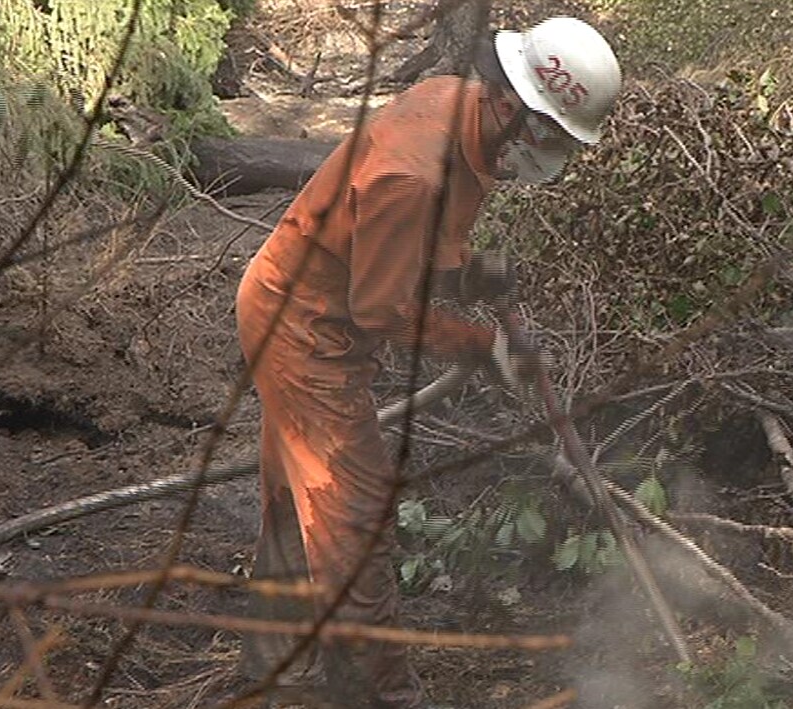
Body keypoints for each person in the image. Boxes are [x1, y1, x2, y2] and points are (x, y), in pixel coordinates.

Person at [233, 17, 622, 708]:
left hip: (315, 304)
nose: (550, 152)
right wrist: (483, 348)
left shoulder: (459, 109)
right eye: (551, 136)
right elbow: (381, 309)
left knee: (299, 508)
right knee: (353, 519)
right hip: (302, 330)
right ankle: (377, 693)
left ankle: (276, 678)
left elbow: (411, 245)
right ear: (513, 105)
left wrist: (468, 274)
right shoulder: (412, 173)